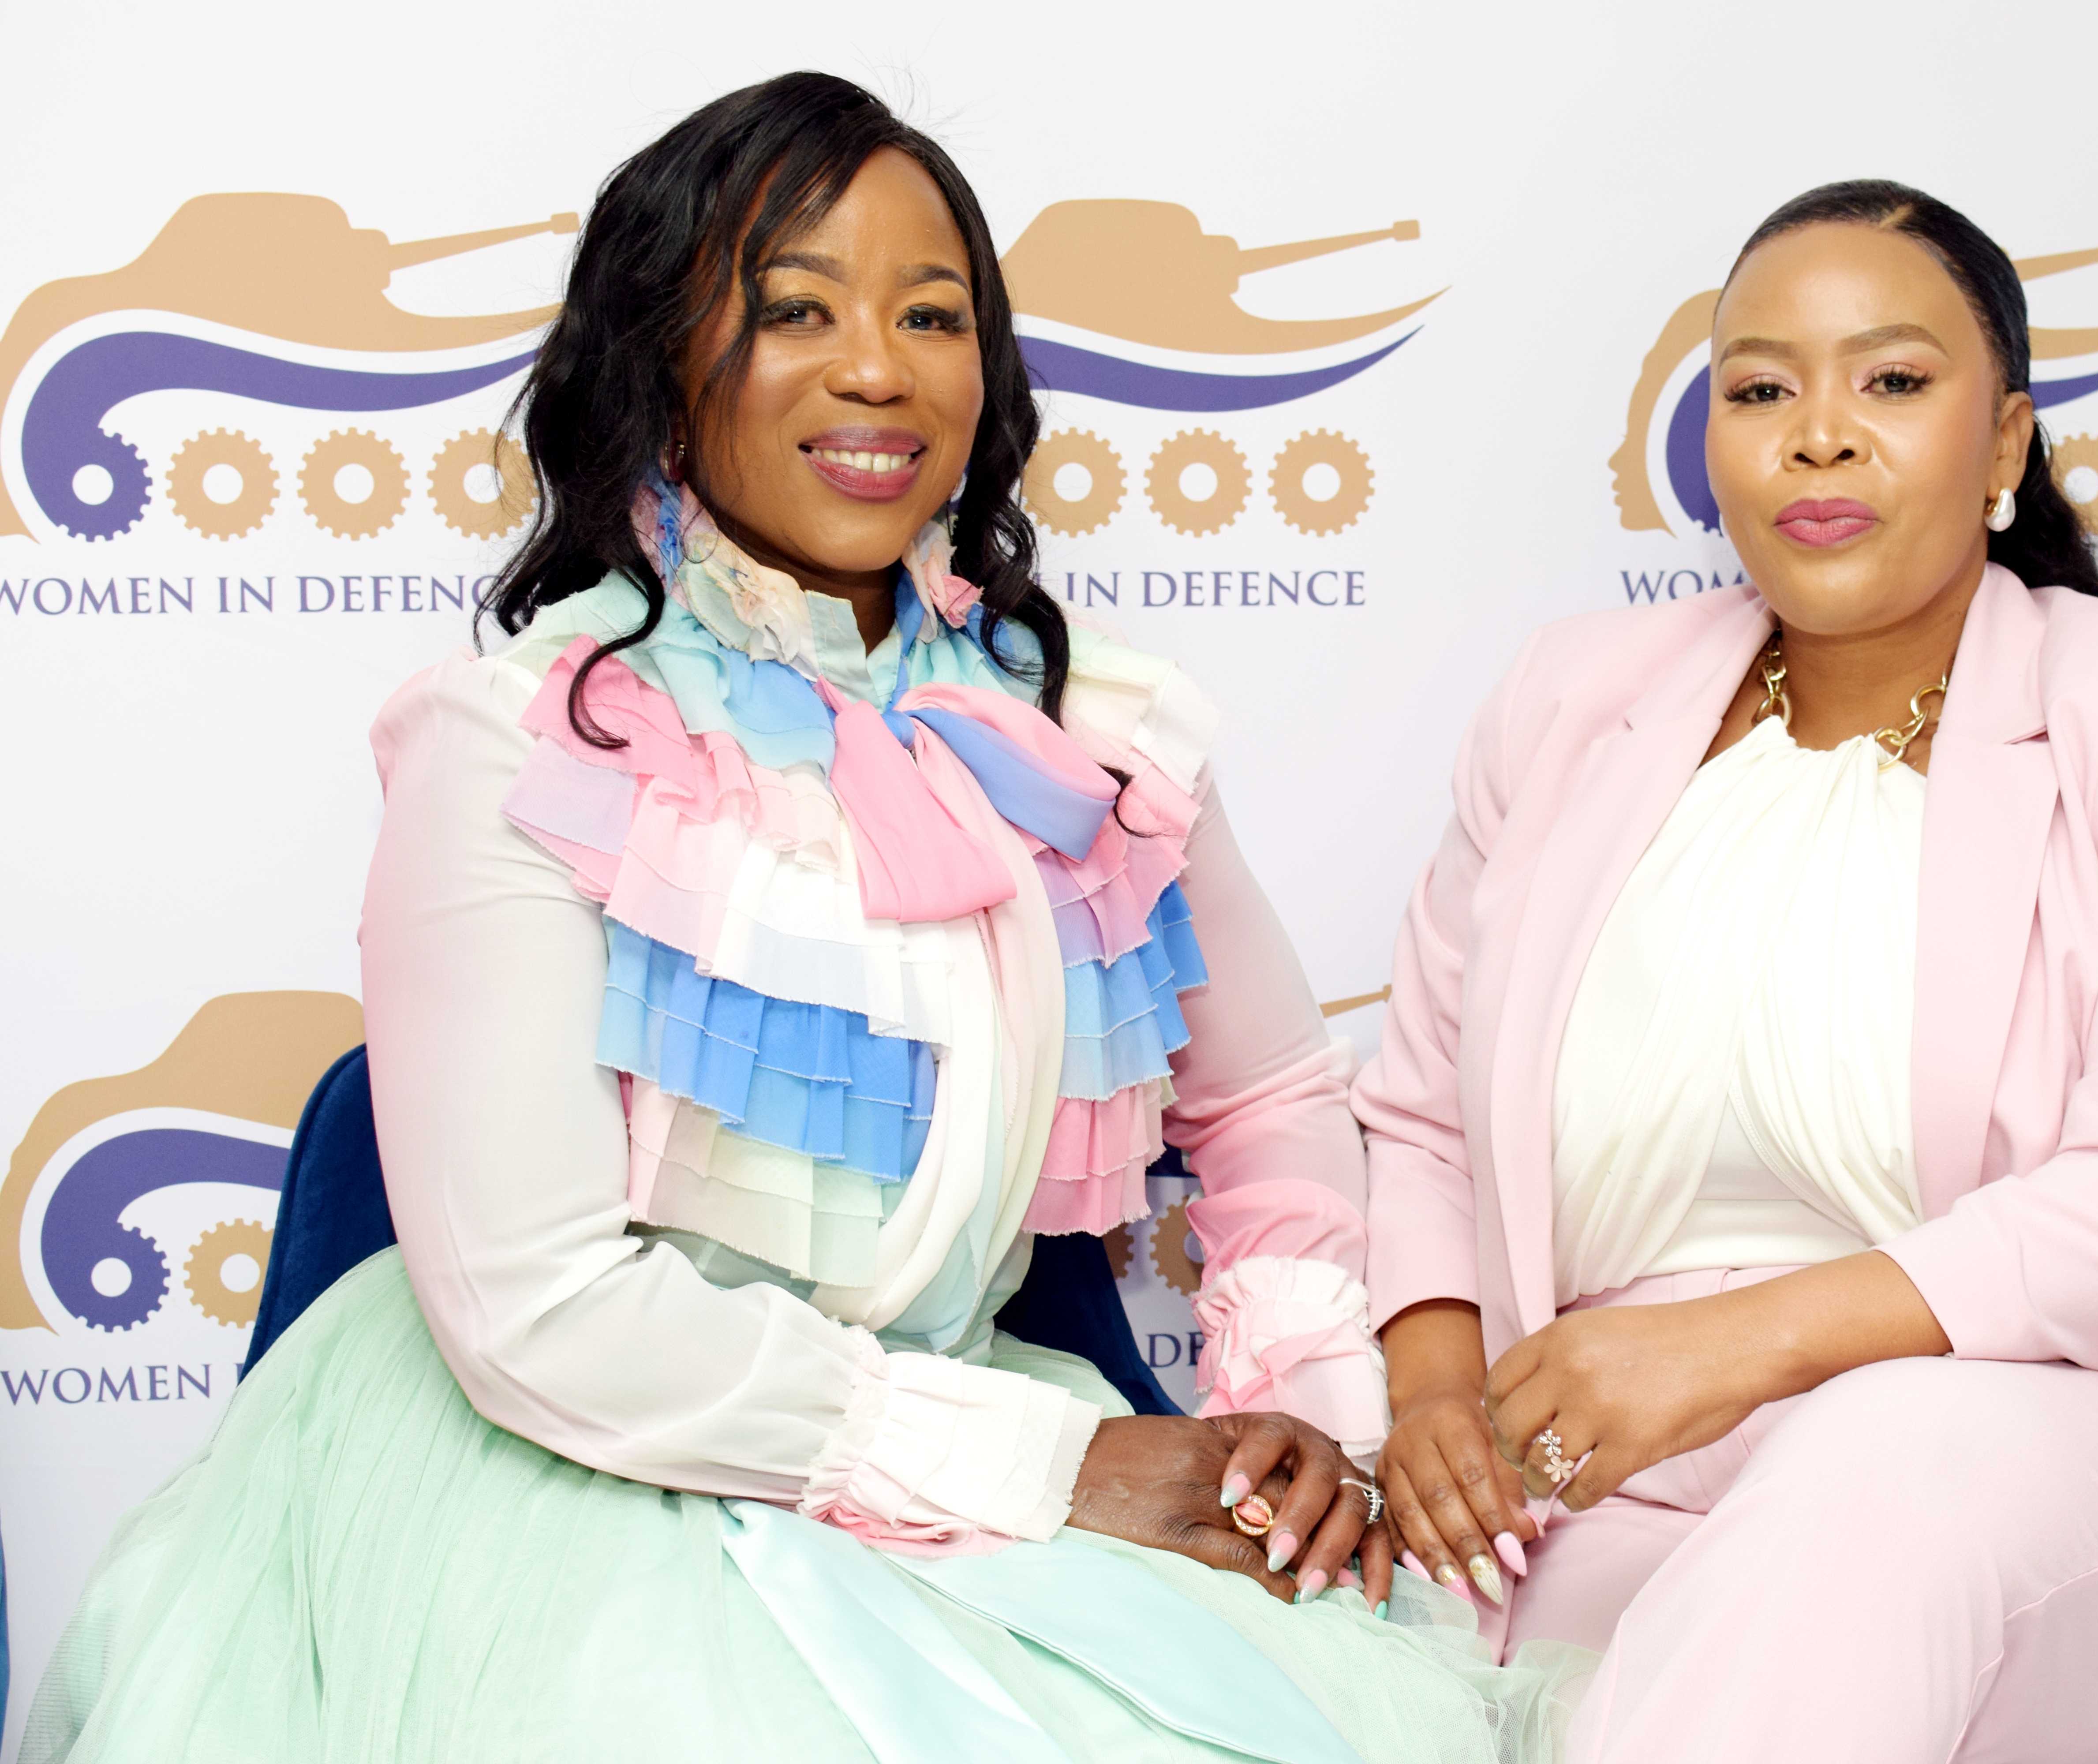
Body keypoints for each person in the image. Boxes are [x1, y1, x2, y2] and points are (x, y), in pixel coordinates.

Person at [26, 73, 1582, 1764]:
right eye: (795, 310)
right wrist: (1050, 1463)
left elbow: (1270, 1095)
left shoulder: (1086, 736)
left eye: (933, 315)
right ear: (659, 358)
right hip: (570, 1475)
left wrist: (1307, 1424)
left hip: (987, 1447)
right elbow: (543, 1310)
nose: (877, 369)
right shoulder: (521, 741)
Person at [1359, 179, 2098, 1764]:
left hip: (2068, 1429)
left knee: (1883, 1466)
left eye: (1891, 381)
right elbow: (1420, 1119)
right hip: (1604, 1468)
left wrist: (1734, 1349)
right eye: (1761, 391)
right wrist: (1433, 1408)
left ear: (2007, 444)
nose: (1819, 438)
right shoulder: (1571, 700)